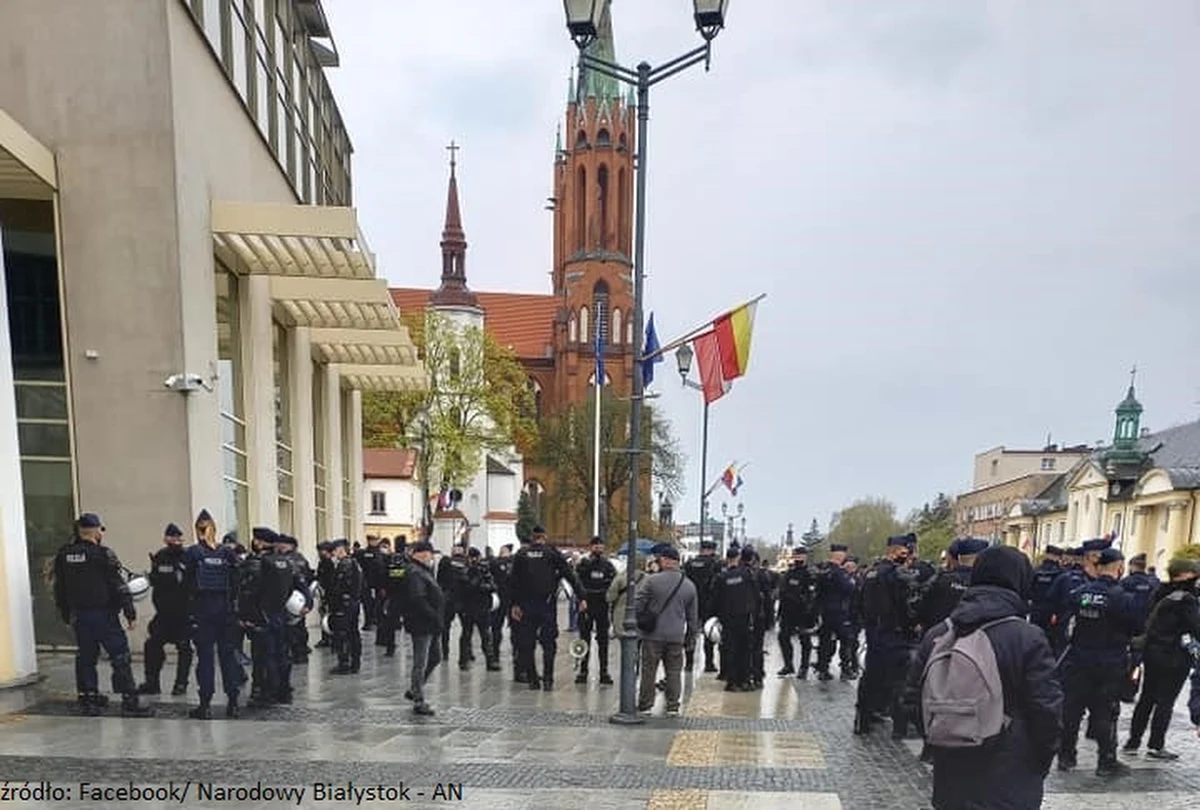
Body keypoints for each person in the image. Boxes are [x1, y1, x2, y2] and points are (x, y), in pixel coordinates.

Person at [904, 545, 1062, 810]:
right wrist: (1040, 761)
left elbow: (911, 699)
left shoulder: (939, 634)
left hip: (951, 774)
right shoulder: (1027, 637)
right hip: (1011, 774)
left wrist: (944, 736)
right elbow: (1046, 710)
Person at [53, 513, 154, 717]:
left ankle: (89, 698)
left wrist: (66, 614)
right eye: (100, 530)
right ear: (96, 531)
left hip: (80, 616)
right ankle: (128, 700)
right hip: (104, 616)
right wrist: (130, 613)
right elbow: (118, 586)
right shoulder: (102, 554)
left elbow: (60, 588)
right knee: (120, 656)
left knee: (86, 657)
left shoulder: (64, 555)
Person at [1057, 547, 1139, 776]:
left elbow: (1067, 620)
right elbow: (1136, 628)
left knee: (1072, 710)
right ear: (1119, 568)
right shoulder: (1123, 598)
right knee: (1105, 711)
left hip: (1078, 659)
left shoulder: (1080, 593)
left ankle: (1066, 756)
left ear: (1098, 567)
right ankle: (1106, 761)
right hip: (1109, 662)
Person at [1124, 556, 1200, 759]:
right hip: (1175, 656)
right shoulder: (1187, 599)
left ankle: (1133, 741)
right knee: (1166, 701)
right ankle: (1156, 745)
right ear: (1184, 575)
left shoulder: (1160, 591)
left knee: (1147, 698)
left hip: (1153, 652)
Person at [183, 509, 244, 719]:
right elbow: (237, 582)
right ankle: (233, 703)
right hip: (226, 612)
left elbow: (184, 585)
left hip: (203, 612)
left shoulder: (192, 553)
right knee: (229, 658)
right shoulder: (227, 553)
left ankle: (205, 705)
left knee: (206, 659)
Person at [509, 525, 582, 690]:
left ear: (532, 537)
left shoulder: (521, 554)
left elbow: (513, 581)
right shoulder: (552, 553)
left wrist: (515, 604)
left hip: (526, 605)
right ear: (544, 537)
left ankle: (533, 679)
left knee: (527, 643)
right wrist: (581, 596)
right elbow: (569, 575)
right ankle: (548, 679)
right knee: (549, 643)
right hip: (546, 605)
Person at [635, 546, 698, 716]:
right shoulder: (689, 586)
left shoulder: (651, 581)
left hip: (653, 635)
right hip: (676, 636)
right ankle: (672, 706)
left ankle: (646, 705)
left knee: (649, 671)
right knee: (674, 672)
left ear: (664, 560)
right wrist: (691, 638)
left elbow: (637, 604)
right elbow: (693, 618)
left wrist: (642, 619)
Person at [138, 522, 192, 697]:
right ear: (166, 539)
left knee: (184, 648)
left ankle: (181, 684)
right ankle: (152, 682)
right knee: (152, 646)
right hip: (163, 613)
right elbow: (155, 580)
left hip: (183, 613)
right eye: (172, 537)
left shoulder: (187, 557)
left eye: (178, 538)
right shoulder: (161, 556)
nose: (175, 541)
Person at [400, 540, 445, 716]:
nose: (431, 557)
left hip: (430, 623)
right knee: (421, 661)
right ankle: (418, 699)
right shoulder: (415, 572)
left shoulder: (423, 570)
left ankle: (414, 689)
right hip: (422, 623)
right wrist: (433, 615)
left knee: (435, 657)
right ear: (421, 554)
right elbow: (418, 598)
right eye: (430, 553)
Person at [575, 536, 617, 685]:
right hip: (587, 604)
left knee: (603, 640)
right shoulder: (584, 564)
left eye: (601, 546)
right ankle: (583, 670)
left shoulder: (608, 565)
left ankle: (604, 671)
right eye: (596, 546)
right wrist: (581, 600)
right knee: (584, 638)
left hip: (602, 604)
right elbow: (577, 583)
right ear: (591, 547)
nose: (598, 548)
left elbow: (613, 584)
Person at [777, 546, 818, 678]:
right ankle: (788, 665)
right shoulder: (790, 572)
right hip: (788, 611)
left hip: (803, 613)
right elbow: (782, 591)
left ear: (805, 557)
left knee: (805, 640)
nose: (798, 559)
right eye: (796, 556)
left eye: (800, 556)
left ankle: (804, 667)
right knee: (783, 637)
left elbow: (812, 594)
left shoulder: (810, 573)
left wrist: (810, 611)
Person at [683, 539, 722, 672]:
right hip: (708, 603)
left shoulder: (689, 563)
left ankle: (688, 663)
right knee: (708, 632)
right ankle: (709, 663)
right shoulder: (715, 564)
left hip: (691, 601)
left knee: (690, 632)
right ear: (711, 550)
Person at [327, 538, 363, 674]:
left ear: (341, 550)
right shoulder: (354, 563)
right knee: (353, 633)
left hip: (344, 604)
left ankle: (344, 663)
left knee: (343, 634)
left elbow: (340, 587)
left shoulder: (344, 565)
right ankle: (355, 662)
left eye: (335, 551)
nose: (333, 554)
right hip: (353, 603)